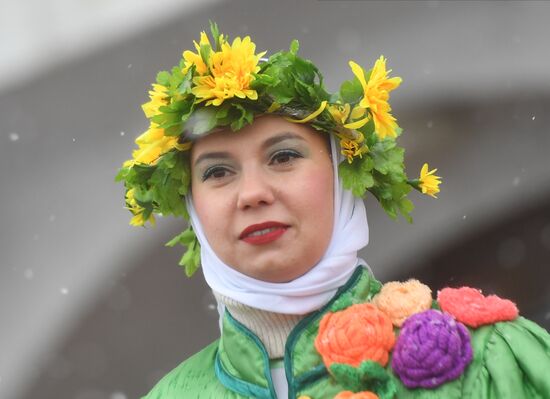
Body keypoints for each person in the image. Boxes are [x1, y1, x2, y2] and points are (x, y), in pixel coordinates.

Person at [117, 22, 550, 399]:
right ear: (193, 206)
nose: (251, 194)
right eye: (217, 172)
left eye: (283, 157)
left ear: (342, 178)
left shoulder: (490, 359)